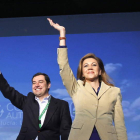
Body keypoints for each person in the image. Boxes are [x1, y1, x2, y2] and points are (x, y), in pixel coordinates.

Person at [47, 18, 127, 140]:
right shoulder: (75, 87)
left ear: (100, 71)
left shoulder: (114, 92)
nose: (90, 67)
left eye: (94, 65)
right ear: (82, 73)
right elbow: (63, 65)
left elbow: (120, 125)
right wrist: (62, 34)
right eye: (86, 65)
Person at [0, 71, 72, 140]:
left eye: (41, 82)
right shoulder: (27, 101)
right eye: (34, 83)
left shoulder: (61, 105)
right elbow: (8, 91)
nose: (37, 85)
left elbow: (66, 130)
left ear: (48, 85)